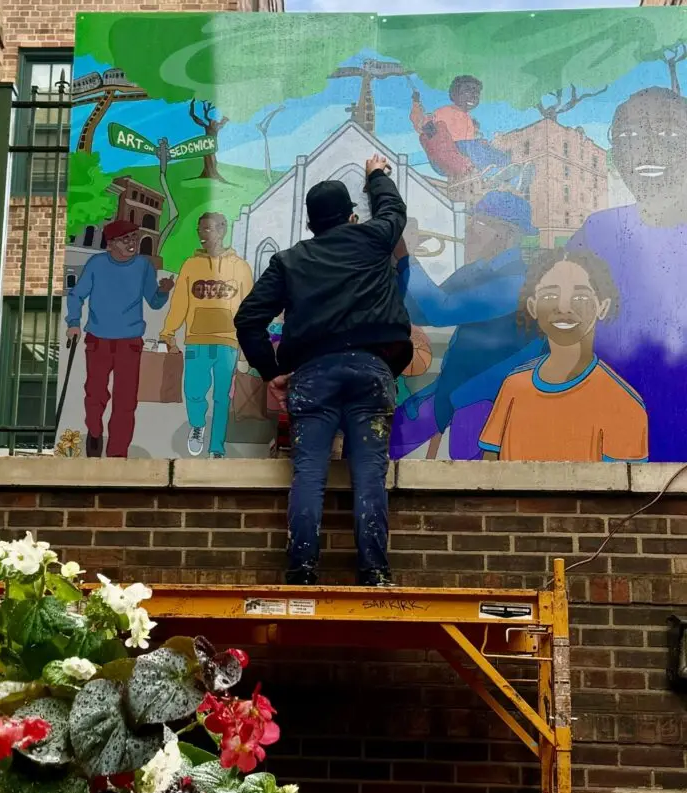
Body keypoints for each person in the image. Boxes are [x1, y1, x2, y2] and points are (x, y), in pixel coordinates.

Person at [234, 154, 411, 587]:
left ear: (311, 225)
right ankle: (374, 571)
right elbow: (394, 212)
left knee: (309, 472)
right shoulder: (372, 239)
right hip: (371, 372)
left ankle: (302, 569)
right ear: (351, 216)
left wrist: (271, 371)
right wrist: (375, 175)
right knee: (370, 472)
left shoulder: (290, 261)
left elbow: (248, 319)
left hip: (312, 376)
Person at [566, 86, 687, 462]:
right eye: (630, 136)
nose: (646, 149)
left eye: (666, 134)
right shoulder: (597, 231)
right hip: (609, 430)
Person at [392, 192, 544, 460]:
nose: (469, 228)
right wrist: (401, 259)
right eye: (471, 220)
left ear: (508, 234)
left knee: (470, 482)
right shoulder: (473, 272)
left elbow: (441, 309)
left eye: (480, 223)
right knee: (388, 440)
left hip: (484, 402)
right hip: (447, 393)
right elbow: (420, 311)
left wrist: (407, 255)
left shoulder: (517, 282)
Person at [479, 249, 647, 462]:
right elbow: (489, 474)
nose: (563, 306)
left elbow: (622, 490)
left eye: (580, 296)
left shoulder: (623, 402)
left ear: (602, 307)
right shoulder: (513, 386)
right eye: (550, 295)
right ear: (532, 306)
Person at [66, 220, 174, 458]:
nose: (132, 243)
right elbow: (77, 294)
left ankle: (117, 453)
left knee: (125, 401)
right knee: (95, 394)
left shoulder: (144, 266)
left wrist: (163, 291)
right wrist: (73, 323)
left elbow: (153, 302)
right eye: (126, 239)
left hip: (129, 342)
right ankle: (94, 432)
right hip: (98, 340)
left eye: (135, 238)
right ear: (111, 244)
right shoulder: (97, 264)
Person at [161, 213, 254, 458]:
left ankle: (217, 447)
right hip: (197, 340)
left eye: (208, 229)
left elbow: (249, 309)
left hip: (228, 342)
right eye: (200, 229)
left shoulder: (241, 267)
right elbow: (180, 301)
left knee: (223, 398)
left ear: (222, 230)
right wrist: (168, 332)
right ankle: (198, 425)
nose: (203, 234)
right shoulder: (191, 265)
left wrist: (247, 351)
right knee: (193, 391)